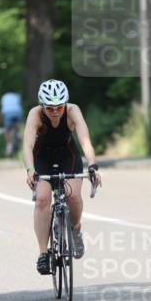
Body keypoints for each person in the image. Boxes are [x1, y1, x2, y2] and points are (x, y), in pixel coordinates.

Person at [23, 79, 102, 275]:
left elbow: (85, 141)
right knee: (42, 198)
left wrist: (92, 165)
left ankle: (75, 229)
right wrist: (30, 169)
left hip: (68, 155)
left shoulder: (73, 111)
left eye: (59, 107)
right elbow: (27, 146)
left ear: (65, 103)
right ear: (43, 106)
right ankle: (43, 253)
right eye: (50, 108)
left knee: (73, 195)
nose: (55, 112)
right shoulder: (35, 114)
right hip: (42, 157)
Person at [0, 90, 24, 157]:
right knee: (19, 127)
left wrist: (1, 120)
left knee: (7, 130)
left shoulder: (4, 97)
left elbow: (2, 110)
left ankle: (9, 146)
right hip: (18, 112)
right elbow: (20, 106)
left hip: (8, 113)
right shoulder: (17, 95)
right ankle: (20, 137)